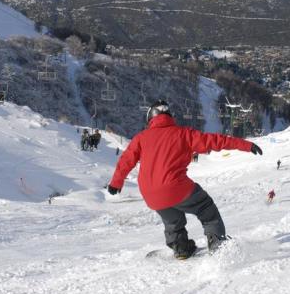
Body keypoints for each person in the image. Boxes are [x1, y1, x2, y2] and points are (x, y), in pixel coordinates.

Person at [107, 100, 262, 259]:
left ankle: (180, 247)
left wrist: (115, 183)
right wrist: (245, 145)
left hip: (150, 194)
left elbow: (126, 160)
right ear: (169, 116)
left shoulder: (140, 138)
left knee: (172, 219)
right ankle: (217, 245)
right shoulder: (183, 133)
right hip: (176, 187)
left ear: (150, 118)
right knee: (206, 209)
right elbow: (215, 141)